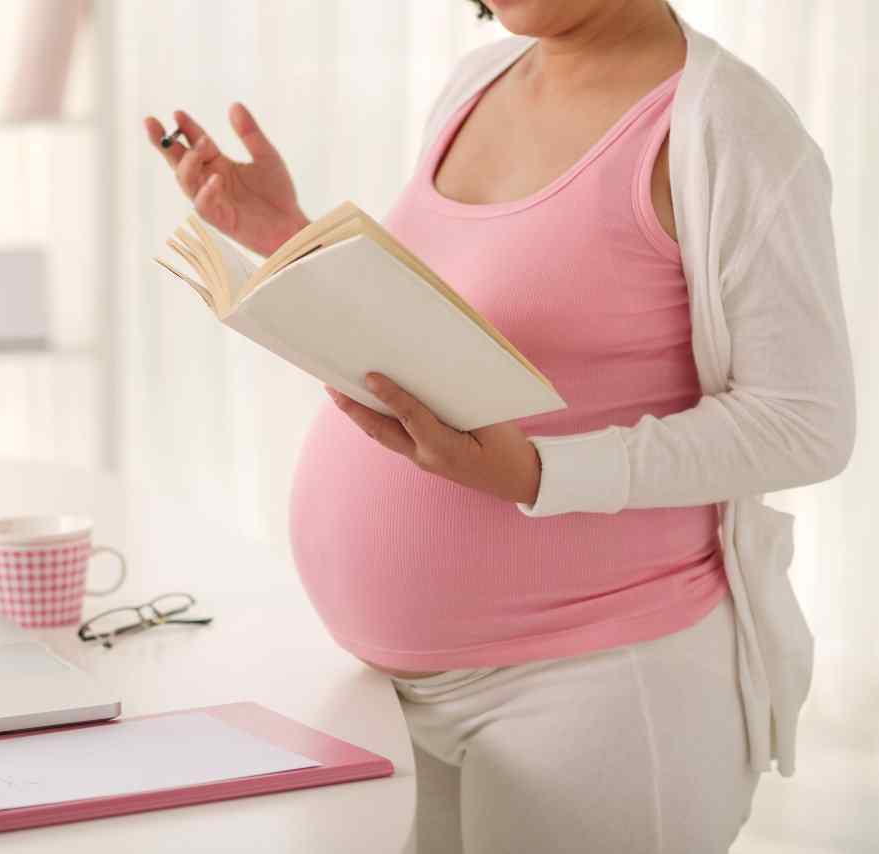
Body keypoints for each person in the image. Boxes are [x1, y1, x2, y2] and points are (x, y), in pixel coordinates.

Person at [144, 1, 854, 851]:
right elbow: (442, 332)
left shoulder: (727, 128)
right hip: (394, 689)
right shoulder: (474, 82)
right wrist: (284, 236)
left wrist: (538, 474)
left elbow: (804, 423)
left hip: (593, 686)